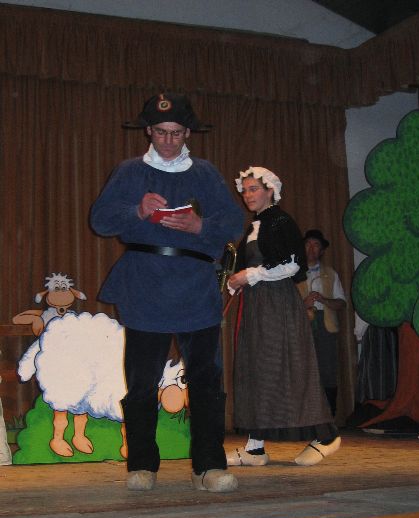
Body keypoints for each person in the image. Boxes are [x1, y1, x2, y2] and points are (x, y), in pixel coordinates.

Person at [90, 92, 244, 492]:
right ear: (148, 131)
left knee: (206, 380)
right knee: (141, 381)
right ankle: (142, 465)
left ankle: (209, 467)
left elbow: (233, 223)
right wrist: (137, 211)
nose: (169, 140)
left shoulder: (205, 173)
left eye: (176, 132)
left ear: (188, 132)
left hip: (196, 286)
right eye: (161, 132)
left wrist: (200, 227)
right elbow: (101, 220)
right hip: (145, 285)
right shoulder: (129, 171)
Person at [226, 167, 340, 468]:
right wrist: (237, 279)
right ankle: (255, 448)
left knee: (288, 369)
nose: (247, 195)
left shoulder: (279, 221)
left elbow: (291, 264)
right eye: (245, 190)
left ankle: (327, 436)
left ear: (270, 191)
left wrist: (249, 275)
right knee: (258, 370)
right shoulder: (256, 226)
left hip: (277, 304)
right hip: (258, 305)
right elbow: (247, 266)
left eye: (254, 189)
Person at [298, 230, 347, 416]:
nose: (311, 248)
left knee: (327, 370)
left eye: (316, 245)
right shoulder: (293, 274)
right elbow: (284, 306)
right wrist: (303, 304)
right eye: (307, 244)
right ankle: (305, 417)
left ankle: (329, 415)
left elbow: (341, 303)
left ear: (322, 251)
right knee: (302, 369)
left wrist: (324, 300)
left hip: (326, 325)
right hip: (301, 326)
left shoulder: (330, 274)